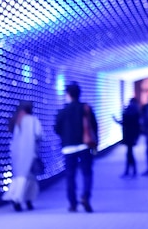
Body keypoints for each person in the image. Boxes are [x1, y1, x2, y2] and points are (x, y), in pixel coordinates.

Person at [54, 81, 98, 213]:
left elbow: (57, 128)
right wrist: (96, 144)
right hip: (85, 146)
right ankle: (85, 196)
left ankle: (73, 204)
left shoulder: (63, 111)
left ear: (68, 94)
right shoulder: (86, 108)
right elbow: (94, 127)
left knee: (70, 175)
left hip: (68, 148)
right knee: (87, 173)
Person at [2, 100, 43, 212]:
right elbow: (39, 134)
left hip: (17, 154)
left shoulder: (17, 121)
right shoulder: (33, 120)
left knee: (19, 176)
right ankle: (25, 200)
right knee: (30, 178)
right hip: (30, 153)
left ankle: (16, 197)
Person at [114, 97, 141, 178]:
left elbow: (124, 123)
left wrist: (116, 120)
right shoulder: (136, 112)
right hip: (132, 136)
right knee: (129, 153)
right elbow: (137, 126)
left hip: (127, 135)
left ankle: (130, 171)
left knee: (129, 154)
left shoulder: (127, 112)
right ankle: (131, 171)